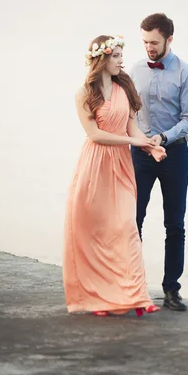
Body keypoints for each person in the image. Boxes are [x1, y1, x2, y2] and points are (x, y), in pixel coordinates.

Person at [63, 34, 166, 317]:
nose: (122, 61)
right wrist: (136, 143)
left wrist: (150, 147)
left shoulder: (125, 87)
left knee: (126, 227)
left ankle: (137, 296)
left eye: (122, 56)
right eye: (117, 56)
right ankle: (98, 299)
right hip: (94, 166)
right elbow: (95, 134)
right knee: (94, 231)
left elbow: (133, 129)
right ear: (102, 59)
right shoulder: (84, 93)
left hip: (121, 166)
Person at [130, 14, 188, 312]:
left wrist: (163, 138)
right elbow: (129, 111)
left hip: (175, 156)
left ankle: (171, 290)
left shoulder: (187, 74)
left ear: (169, 39)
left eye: (154, 42)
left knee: (175, 224)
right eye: (145, 42)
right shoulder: (134, 70)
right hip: (140, 156)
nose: (149, 47)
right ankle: (132, 287)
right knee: (132, 221)